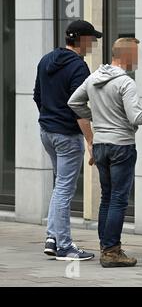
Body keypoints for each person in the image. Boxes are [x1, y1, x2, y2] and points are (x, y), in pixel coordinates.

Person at [68, 38, 142, 268]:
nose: (138, 59)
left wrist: (97, 118)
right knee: (119, 200)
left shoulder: (93, 78)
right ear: (128, 55)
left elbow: (74, 102)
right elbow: (136, 118)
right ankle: (112, 252)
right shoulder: (125, 83)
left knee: (107, 197)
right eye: (137, 54)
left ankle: (106, 246)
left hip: (101, 145)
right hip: (121, 145)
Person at [33, 20, 102, 261]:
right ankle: (63, 245)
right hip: (66, 135)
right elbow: (79, 108)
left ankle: (53, 237)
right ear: (82, 40)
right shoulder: (79, 67)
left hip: (47, 132)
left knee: (60, 186)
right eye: (91, 39)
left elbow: (37, 95)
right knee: (64, 188)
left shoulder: (46, 60)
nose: (92, 43)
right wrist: (91, 141)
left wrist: (49, 115)